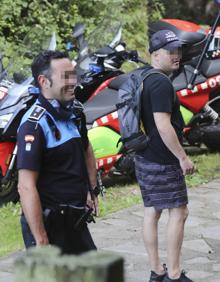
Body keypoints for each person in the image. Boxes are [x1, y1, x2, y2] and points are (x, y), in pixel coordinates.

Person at [17, 50, 100, 254]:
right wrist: (41, 239)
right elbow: (25, 187)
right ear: (44, 81)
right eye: (66, 76)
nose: (73, 81)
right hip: (48, 224)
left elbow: (86, 148)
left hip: (74, 220)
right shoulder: (33, 125)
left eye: (73, 74)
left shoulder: (75, 112)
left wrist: (92, 190)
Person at [134, 30, 195, 282]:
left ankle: (156, 271)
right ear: (155, 54)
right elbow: (162, 124)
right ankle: (174, 274)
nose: (176, 55)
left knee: (152, 211)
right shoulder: (160, 82)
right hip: (163, 159)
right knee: (179, 212)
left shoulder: (144, 77)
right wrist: (182, 158)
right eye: (170, 51)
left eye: (178, 50)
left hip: (144, 155)